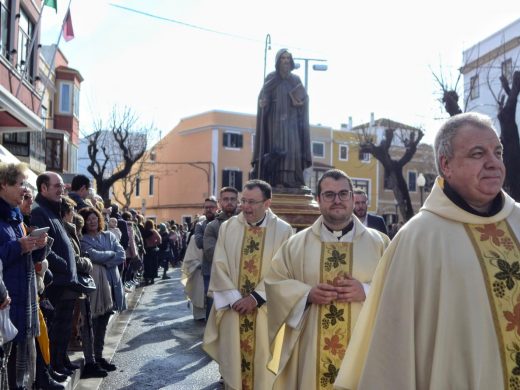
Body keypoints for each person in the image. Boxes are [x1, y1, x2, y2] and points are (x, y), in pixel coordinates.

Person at [334, 112, 515, 390]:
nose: (493, 163)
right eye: (478, 154)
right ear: (446, 165)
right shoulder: (418, 239)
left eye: (497, 152)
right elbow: (393, 345)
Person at [264, 169, 389, 390]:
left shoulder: (380, 244)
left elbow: (399, 288)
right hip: (311, 349)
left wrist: (366, 291)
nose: (337, 200)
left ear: (352, 198)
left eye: (343, 194)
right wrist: (306, 294)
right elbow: (275, 283)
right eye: (329, 195)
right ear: (319, 200)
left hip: (364, 348)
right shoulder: (296, 245)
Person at [203, 180, 293, 389]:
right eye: (244, 201)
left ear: (267, 203)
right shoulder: (228, 227)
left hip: (267, 313)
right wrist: (236, 299)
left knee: (264, 369)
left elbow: (285, 271)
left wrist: (255, 298)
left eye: (252, 202)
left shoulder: (284, 231)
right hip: (235, 310)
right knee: (235, 368)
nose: (246, 207)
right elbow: (219, 264)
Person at [0, 163, 48, 389]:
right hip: (7, 302)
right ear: (3, 185)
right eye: (21, 184)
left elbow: (24, 255)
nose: (25, 189)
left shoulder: (16, 217)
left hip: (20, 299)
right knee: (6, 367)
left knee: (17, 366)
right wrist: (18, 246)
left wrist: (38, 245)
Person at [31, 172, 81, 377]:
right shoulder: (39, 211)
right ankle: (52, 367)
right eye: (57, 186)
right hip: (56, 281)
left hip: (65, 280)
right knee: (54, 327)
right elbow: (45, 247)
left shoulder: (52, 209)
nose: (62, 189)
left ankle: (60, 362)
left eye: (62, 185)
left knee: (64, 325)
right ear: (43, 188)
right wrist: (63, 267)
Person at [252, 48, 312, 188]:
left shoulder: (295, 79)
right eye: (283, 58)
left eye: (287, 58)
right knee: (277, 149)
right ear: (278, 61)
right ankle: (276, 179)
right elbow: (264, 95)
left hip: (293, 122)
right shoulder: (271, 78)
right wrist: (263, 103)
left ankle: (292, 179)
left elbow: (304, 98)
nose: (285, 61)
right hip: (275, 121)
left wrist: (302, 103)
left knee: (293, 149)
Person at [79, 207, 126, 373]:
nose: (92, 221)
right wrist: (110, 256)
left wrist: (104, 259)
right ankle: (91, 359)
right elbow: (92, 255)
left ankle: (99, 356)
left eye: (94, 218)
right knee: (92, 323)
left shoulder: (109, 235)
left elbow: (122, 254)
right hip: (96, 288)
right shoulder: (83, 239)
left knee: (104, 323)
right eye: (88, 219)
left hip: (112, 284)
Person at [202, 187, 239, 320]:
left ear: (238, 201)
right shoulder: (212, 226)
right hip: (218, 277)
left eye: (233, 199)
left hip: (243, 277)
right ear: (220, 202)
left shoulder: (248, 222)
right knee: (215, 311)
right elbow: (210, 253)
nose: (229, 202)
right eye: (226, 199)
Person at [142, 220, 162, 285]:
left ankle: (147, 278)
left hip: (146, 249)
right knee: (153, 264)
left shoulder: (143, 231)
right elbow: (159, 239)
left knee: (147, 264)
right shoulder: (153, 231)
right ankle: (152, 278)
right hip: (153, 248)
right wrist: (155, 243)